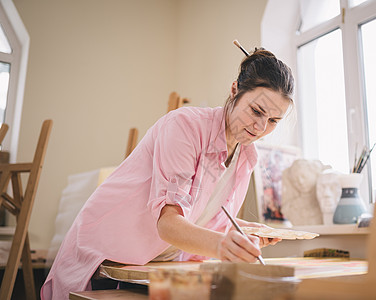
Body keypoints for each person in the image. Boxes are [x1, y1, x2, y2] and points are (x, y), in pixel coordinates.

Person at [41, 47, 295, 299]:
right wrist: (223, 245)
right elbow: (169, 223)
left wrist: (238, 232)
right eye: (256, 111)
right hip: (105, 258)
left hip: (156, 264)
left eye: (273, 121)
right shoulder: (184, 126)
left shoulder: (246, 157)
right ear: (234, 91)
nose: (261, 127)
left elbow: (201, 222)